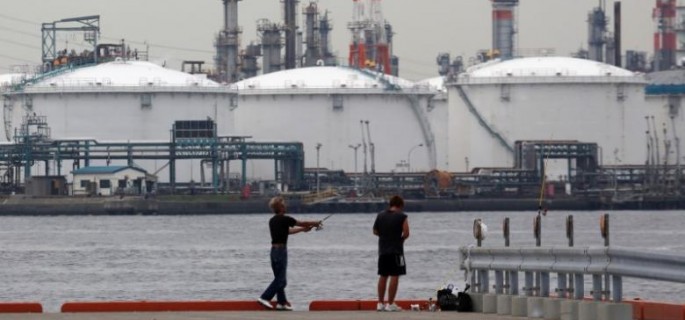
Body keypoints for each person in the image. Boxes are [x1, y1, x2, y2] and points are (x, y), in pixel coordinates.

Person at [257, 196, 321, 311]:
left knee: (280, 279)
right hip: (281, 251)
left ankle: (281, 303)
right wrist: (315, 223)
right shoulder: (286, 219)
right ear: (280, 207)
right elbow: (302, 223)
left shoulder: (273, 220)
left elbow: (287, 232)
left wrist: (302, 230)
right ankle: (264, 297)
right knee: (280, 279)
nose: (286, 206)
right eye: (284, 204)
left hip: (273, 252)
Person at [373, 195, 410, 312]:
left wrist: (384, 236)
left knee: (383, 275)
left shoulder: (380, 215)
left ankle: (380, 303)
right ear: (400, 205)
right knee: (395, 275)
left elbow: (375, 231)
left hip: (383, 250)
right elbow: (406, 233)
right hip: (397, 251)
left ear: (391, 204)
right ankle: (390, 303)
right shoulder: (402, 216)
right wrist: (400, 240)